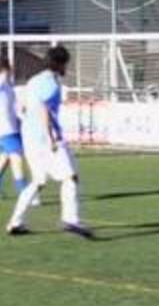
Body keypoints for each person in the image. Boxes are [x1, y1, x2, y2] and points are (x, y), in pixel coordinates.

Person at [5, 45, 93, 238]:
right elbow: (45, 111)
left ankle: (15, 222)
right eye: (65, 64)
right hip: (46, 139)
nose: (66, 68)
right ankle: (71, 219)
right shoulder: (50, 84)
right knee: (70, 177)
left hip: (30, 139)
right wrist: (52, 137)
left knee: (38, 181)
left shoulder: (34, 80)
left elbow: (23, 106)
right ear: (60, 64)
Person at [0, 58, 31, 198]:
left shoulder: (7, 84)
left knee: (6, 156)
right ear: (5, 69)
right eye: (10, 67)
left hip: (12, 127)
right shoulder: (0, 81)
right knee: (16, 156)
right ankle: (23, 191)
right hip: (5, 129)